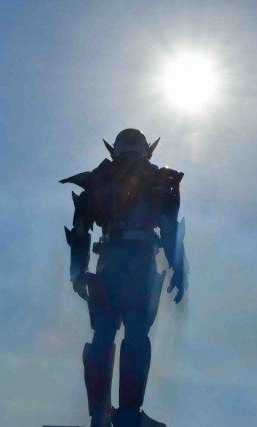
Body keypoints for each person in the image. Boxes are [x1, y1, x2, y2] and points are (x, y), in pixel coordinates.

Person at [60, 129, 189, 427]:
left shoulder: (100, 178)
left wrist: (77, 270)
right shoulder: (157, 178)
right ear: (148, 150)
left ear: (114, 149)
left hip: (108, 262)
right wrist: (180, 269)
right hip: (140, 262)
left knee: (103, 333)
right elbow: (170, 229)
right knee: (135, 333)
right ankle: (128, 413)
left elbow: (80, 231)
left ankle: (99, 414)